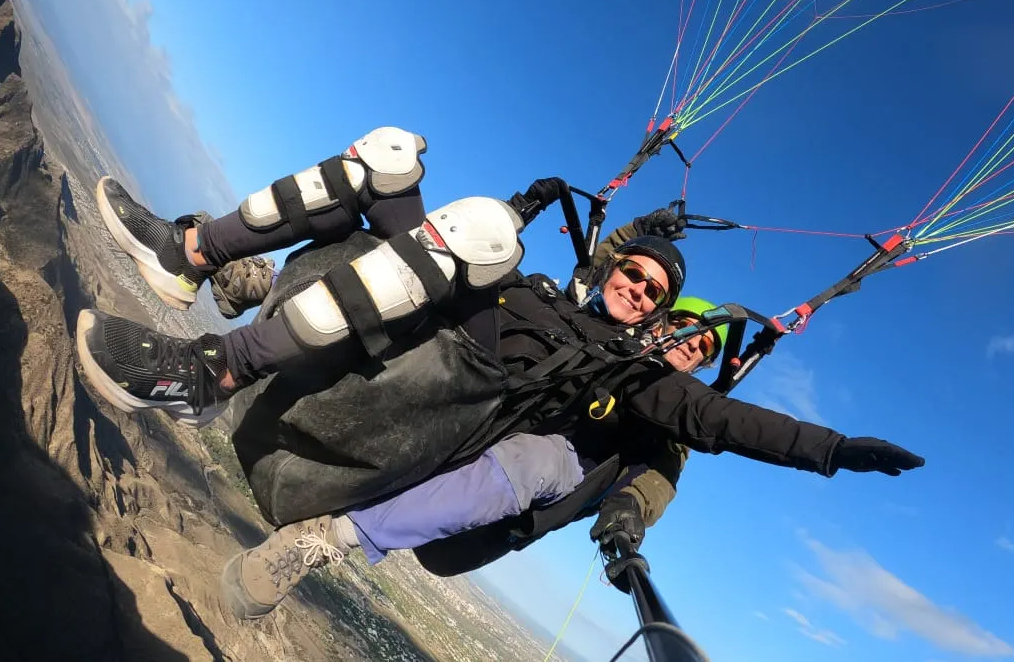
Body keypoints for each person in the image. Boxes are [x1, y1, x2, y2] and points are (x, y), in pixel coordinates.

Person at [77, 127, 924, 605]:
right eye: (634, 272)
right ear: (611, 269)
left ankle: (210, 372)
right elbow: (454, 248)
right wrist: (523, 209)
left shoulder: (633, 376)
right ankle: (191, 251)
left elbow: (718, 422)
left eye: (655, 292)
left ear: (661, 318)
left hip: (482, 388)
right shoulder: (539, 288)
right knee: (391, 161)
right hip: (455, 316)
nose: (638, 288)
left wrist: (831, 450)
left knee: (534, 449)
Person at [218, 297, 728, 619]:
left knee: (531, 466)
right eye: (687, 326)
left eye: (704, 346)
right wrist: (641, 231)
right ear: (663, 321)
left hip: (518, 483)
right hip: (476, 428)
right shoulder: (604, 327)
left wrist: (632, 506)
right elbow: (618, 275)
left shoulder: (678, 415)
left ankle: (334, 536)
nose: (691, 345)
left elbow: (664, 471)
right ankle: (268, 311)